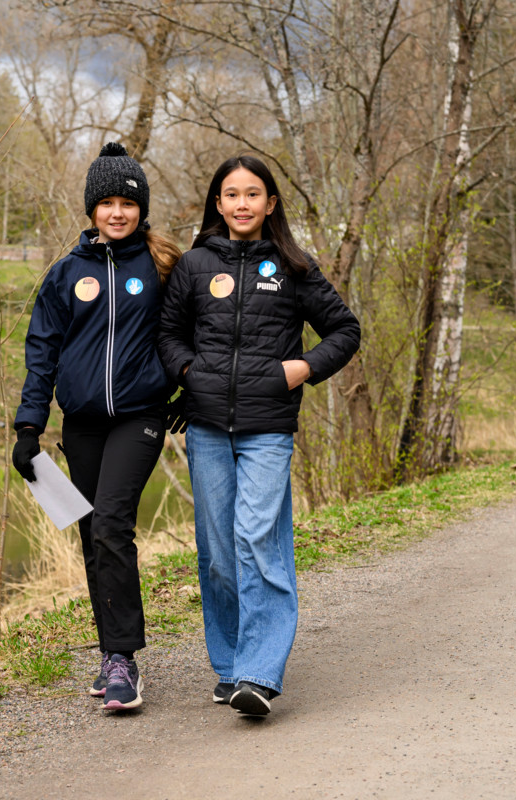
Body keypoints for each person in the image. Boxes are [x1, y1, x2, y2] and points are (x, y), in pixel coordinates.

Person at [158, 154, 360, 716]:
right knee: (220, 554)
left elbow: (344, 329)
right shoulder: (195, 265)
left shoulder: (293, 266)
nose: (242, 203)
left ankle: (260, 673)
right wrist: (189, 371)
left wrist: (302, 368)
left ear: (271, 203)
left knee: (256, 540)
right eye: (232, 194)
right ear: (217, 203)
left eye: (253, 194)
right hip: (205, 427)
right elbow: (167, 333)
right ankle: (230, 668)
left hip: (268, 428)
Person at [12, 142, 181, 711]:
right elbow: (42, 353)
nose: (117, 212)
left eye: (127, 203)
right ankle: (111, 654)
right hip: (81, 423)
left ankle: (124, 659)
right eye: (106, 203)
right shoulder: (66, 274)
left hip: (140, 416)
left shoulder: (161, 267)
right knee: (91, 534)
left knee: (111, 523)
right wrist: (28, 428)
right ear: (91, 209)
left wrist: (187, 392)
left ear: (141, 209)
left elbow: (192, 336)